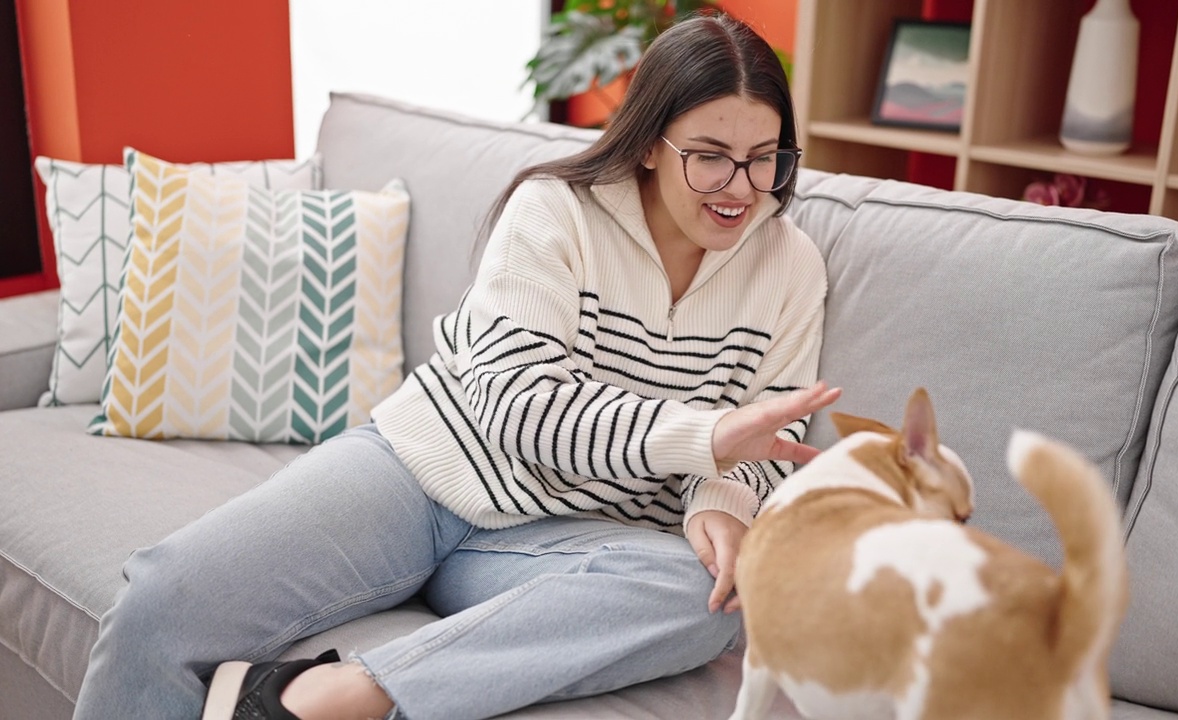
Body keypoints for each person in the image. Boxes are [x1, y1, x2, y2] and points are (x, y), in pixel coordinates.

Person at [73, 12, 838, 720]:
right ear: (646, 142)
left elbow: (772, 429)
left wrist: (719, 500)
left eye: (763, 159)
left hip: (567, 539)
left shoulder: (789, 265)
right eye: (709, 158)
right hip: (420, 479)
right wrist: (703, 439)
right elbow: (516, 406)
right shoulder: (554, 211)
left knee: (697, 598)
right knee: (162, 600)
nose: (741, 188)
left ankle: (335, 694)